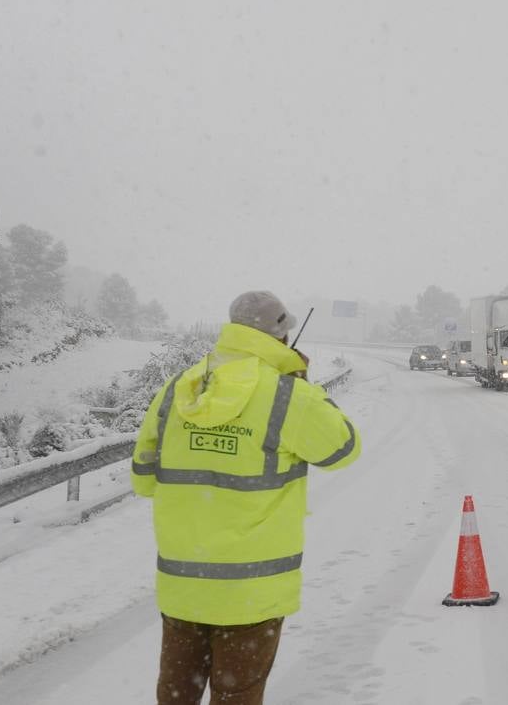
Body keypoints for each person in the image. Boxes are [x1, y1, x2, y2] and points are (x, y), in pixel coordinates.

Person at [131, 290, 361, 705]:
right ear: (282, 335)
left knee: (176, 694)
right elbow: (343, 449)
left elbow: (144, 479)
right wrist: (305, 387)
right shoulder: (288, 395)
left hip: (183, 583)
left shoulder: (181, 388)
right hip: (252, 591)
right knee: (237, 695)